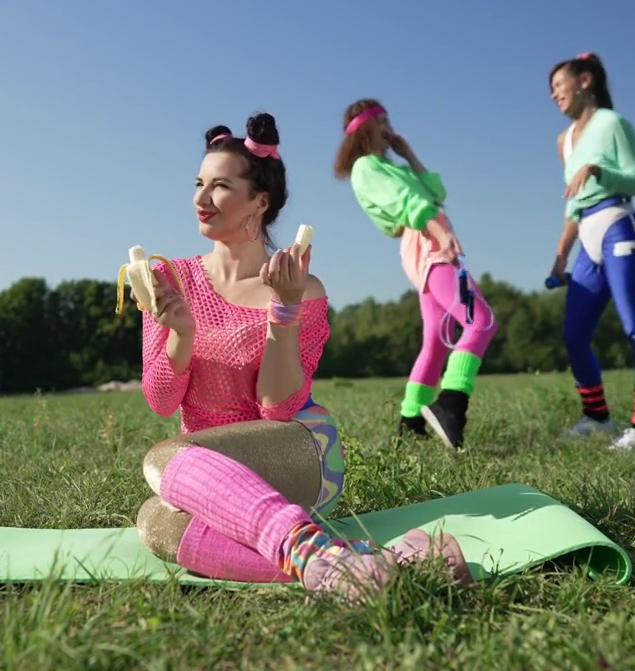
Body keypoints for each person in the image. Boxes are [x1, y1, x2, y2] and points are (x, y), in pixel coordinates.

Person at [129, 111, 472, 603]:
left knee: (165, 460)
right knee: (155, 520)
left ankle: (315, 556)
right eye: (199, 184)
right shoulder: (169, 280)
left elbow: (277, 407)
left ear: (259, 201)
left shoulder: (300, 288)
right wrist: (180, 335)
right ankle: (373, 564)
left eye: (220, 186)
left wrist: (284, 311)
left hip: (297, 449)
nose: (201, 199)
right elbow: (162, 402)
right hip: (212, 471)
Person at [333, 100, 498, 451]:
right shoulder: (366, 167)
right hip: (427, 241)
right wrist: (440, 234)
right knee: (480, 320)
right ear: (365, 128)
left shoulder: (394, 166)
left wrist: (410, 156)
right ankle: (451, 403)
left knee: (437, 340)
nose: (389, 127)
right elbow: (409, 204)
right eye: (383, 121)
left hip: (431, 237)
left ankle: (410, 422)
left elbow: (437, 193)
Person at [547, 52, 635, 453]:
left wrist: (599, 169)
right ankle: (597, 418)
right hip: (587, 239)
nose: (553, 96)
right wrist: (562, 252)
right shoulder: (564, 142)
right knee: (574, 334)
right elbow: (572, 202)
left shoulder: (613, 123)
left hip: (620, 227)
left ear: (584, 81)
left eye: (559, 86)